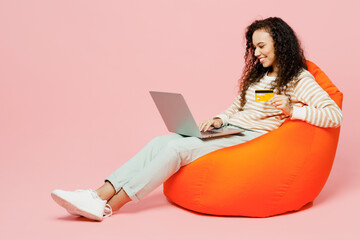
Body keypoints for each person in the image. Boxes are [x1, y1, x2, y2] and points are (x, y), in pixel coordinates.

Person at [51, 17, 343, 221]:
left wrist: (294, 111)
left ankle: (105, 206)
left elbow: (334, 114)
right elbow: (236, 109)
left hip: (251, 139)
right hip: (231, 129)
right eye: (253, 47)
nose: (256, 53)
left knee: (176, 149)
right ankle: (95, 195)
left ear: (281, 43)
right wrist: (218, 119)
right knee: (162, 141)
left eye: (262, 46)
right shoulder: (259, 77)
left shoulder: (299, 78)